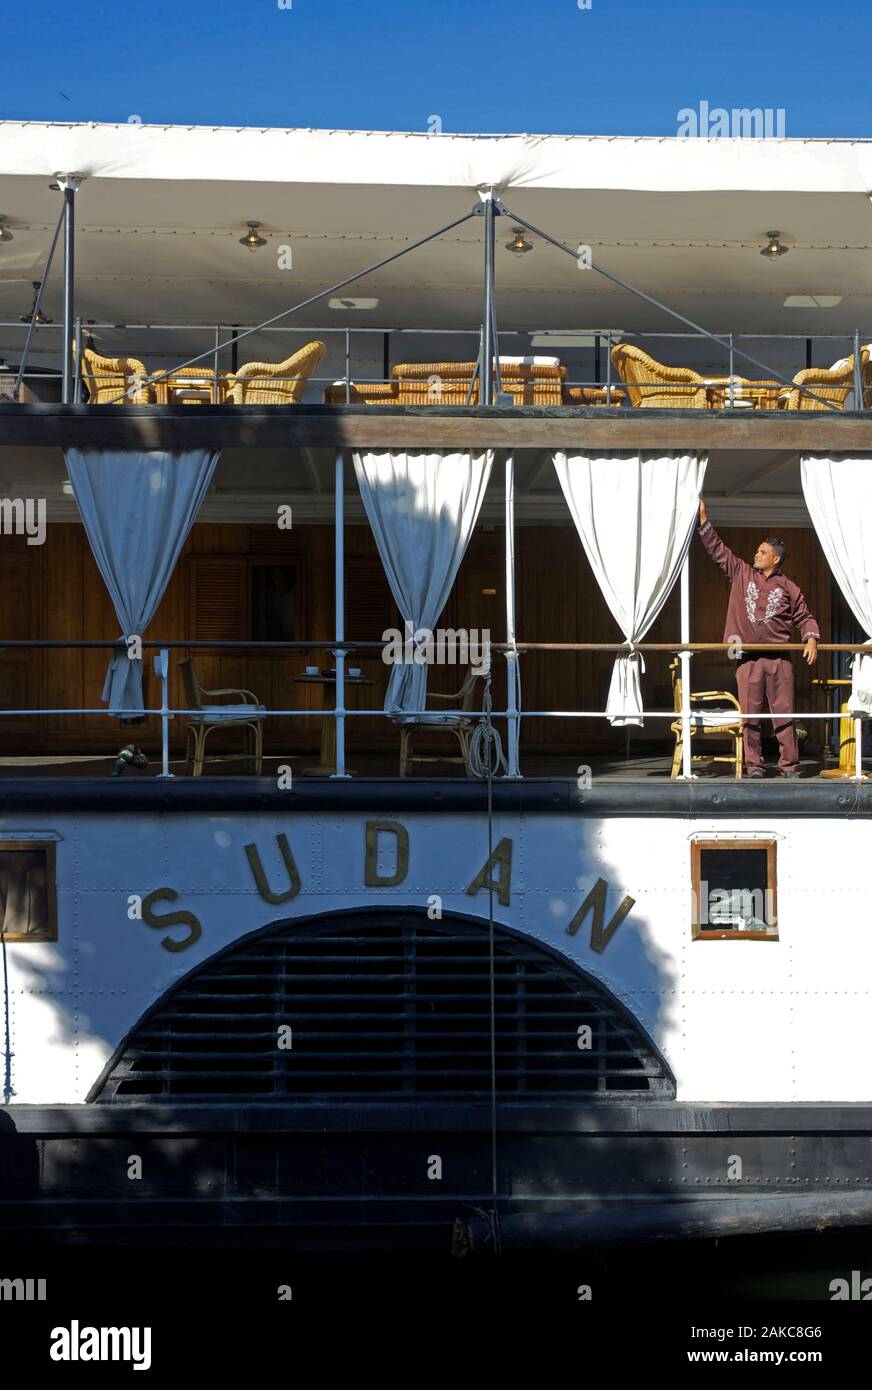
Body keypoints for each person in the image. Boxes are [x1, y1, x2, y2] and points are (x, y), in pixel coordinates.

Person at [697, 498, 819, 778]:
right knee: (750, 716)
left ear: (775, 558)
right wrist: (704, 520)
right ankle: (755, 766)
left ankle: (789, 766)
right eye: (757, 550)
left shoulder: (790, 587)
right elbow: (718, 550)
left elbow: (805, 616)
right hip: (748, 657)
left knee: (784, 714)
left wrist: (811, 638)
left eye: (762, 552)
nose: (756, 554)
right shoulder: (741, 573)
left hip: (779, 659)